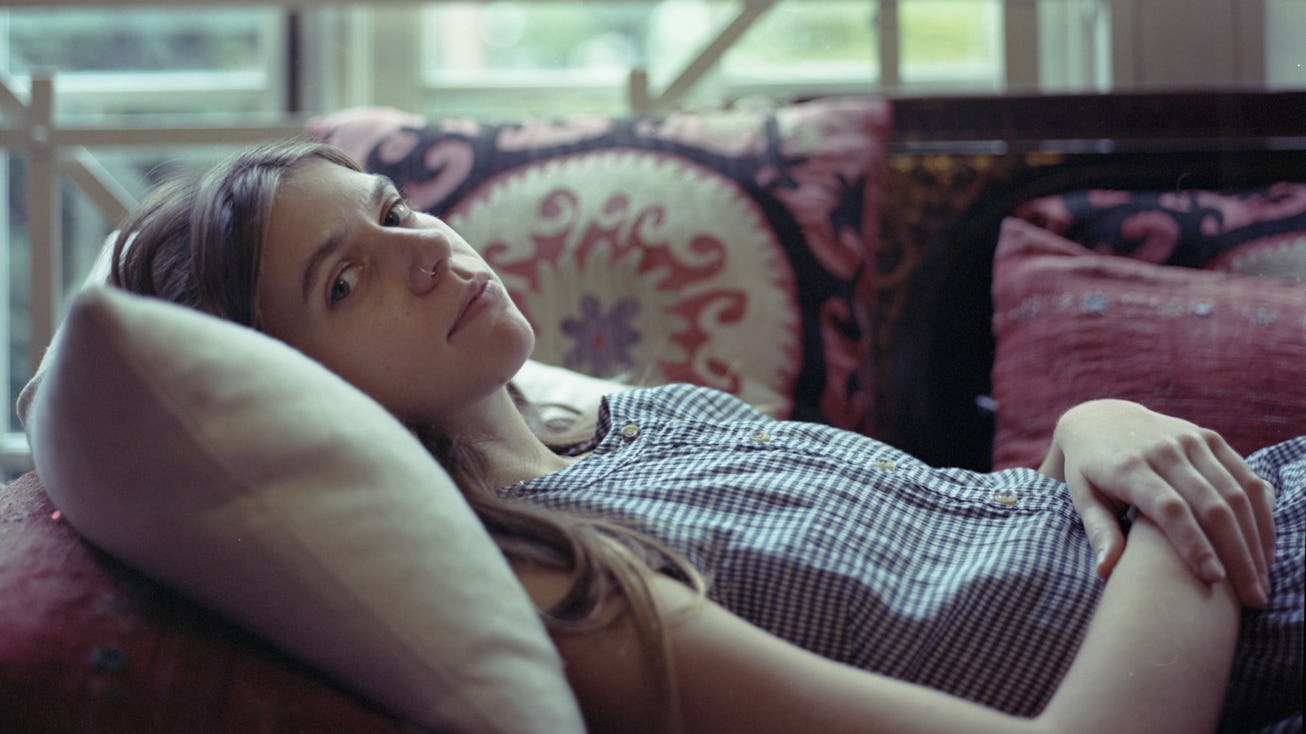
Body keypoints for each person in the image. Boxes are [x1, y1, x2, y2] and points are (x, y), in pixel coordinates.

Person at [111, 140, 1301, 734]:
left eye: (394, 209)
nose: (425, 250)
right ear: (287, 387)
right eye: (345, 281)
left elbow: (979, 556)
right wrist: (1178, 523)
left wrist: (1100, 426)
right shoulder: (555, 580)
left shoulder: (618, 418)